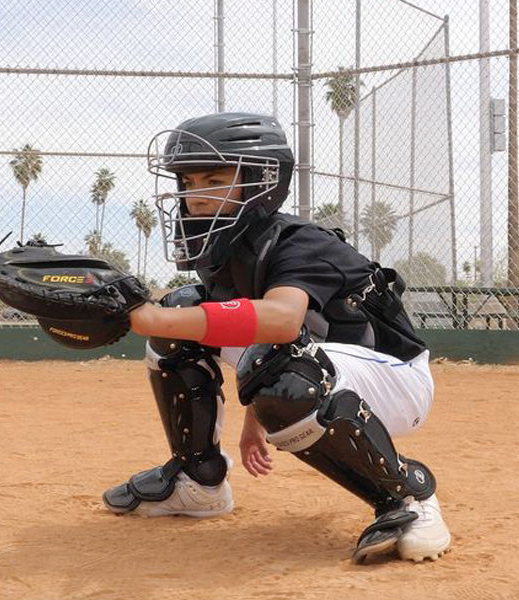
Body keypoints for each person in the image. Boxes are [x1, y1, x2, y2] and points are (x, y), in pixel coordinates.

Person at [102, 112, 451, 563]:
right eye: (187, 182)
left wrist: (148, 318)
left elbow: (283, 323)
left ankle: (410, 498)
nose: (195, 196)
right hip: (325, 367)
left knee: (211, 335)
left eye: (213, 179)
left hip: (396, 382)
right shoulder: (227, 249)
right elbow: (259, 330)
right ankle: (198, 481)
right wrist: (256, 418)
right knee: (183, 315)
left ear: (262, 182)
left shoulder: (298, 242)